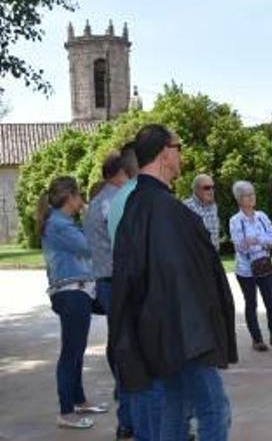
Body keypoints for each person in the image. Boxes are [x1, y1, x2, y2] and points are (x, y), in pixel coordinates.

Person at [111, 124, 237, 441]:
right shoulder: (165, 210)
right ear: (165, 153)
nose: (181, 155)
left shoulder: (137, 205)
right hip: (185, 332)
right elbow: (181, 280)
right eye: (178, 147)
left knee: (176, 405)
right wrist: (201, 328)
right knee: (214, 408)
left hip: (158, 332)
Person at [38, 176, 109, 429]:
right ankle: (66, 412)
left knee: (77, 349)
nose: (82, 200)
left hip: (78, 292)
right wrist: (92, 220)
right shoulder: (58, 225)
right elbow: (89, 248)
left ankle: (79, 401)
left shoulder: (63, 222)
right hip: (71, 293)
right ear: (69, 197)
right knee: (71, 352)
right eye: (79, 195)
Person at [83, 152, 132, 438]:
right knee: (127, 346)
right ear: (121, 173)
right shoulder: (115, 201)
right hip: (117, 280)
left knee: (118, 341)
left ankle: (123, 395)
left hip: (104, 279)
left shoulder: (96, 202)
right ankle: (127, 416)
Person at [229, 180, 272, 351]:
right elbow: (240, 245)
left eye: (252, 194)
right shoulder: (235, 221)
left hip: (264, 265)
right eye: (247, 195)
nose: (251, 198)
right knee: (251, 303)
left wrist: (257, 240)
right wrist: (263, 242)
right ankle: (257, 339)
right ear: (239, 199)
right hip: (246, 270)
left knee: (271, 302)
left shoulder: (261, 216)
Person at [184, 174, 221, 252]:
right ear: (196, 189)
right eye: (207, 188)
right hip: (195, 255)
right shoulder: (186, 207)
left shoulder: (213, 206)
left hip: (212, 255)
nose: (211, 191)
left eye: (213, 187)